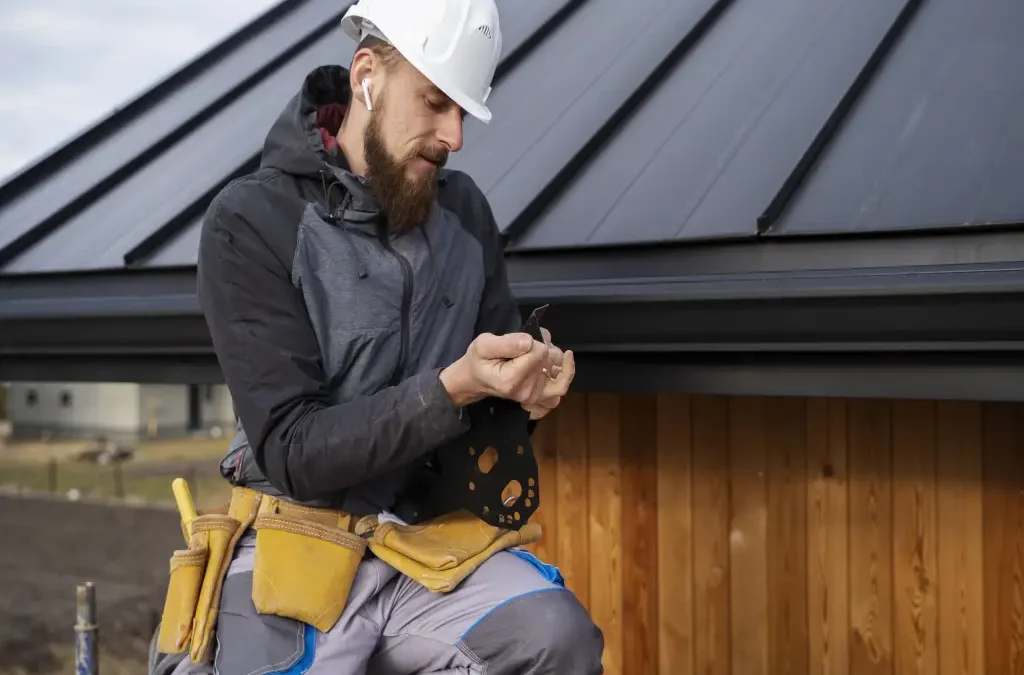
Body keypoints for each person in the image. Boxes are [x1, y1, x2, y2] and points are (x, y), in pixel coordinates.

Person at [148, 0, 604, 673]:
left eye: (463, 112)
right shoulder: (252, 220)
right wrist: (453, 388)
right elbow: (294, 448)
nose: (454, 137)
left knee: (555, 637)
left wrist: (521, 396)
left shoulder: (465, 214)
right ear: (367, 75)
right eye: (435, 103)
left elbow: (483, 409)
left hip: (420, 543)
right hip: (289, 532)